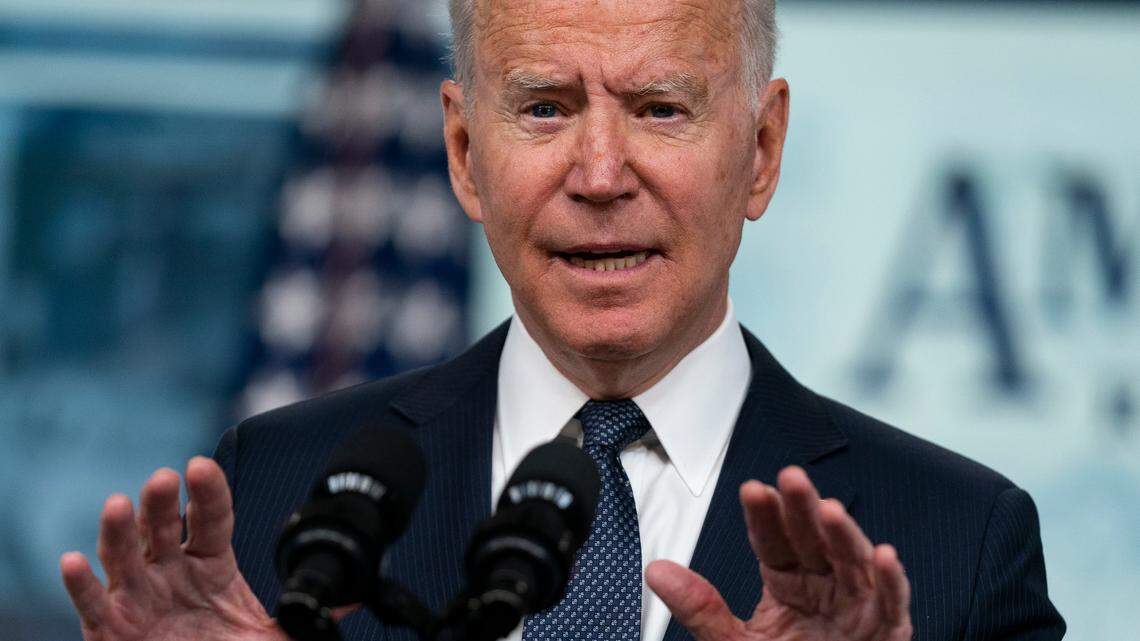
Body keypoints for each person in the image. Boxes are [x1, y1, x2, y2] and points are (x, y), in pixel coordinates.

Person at [59, 1, 1065, 640]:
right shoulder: (278, 489)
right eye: (542, 107)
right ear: (461, 150)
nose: (597, 175)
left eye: (660, 108)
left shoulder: (958, 544)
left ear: (761, 150)